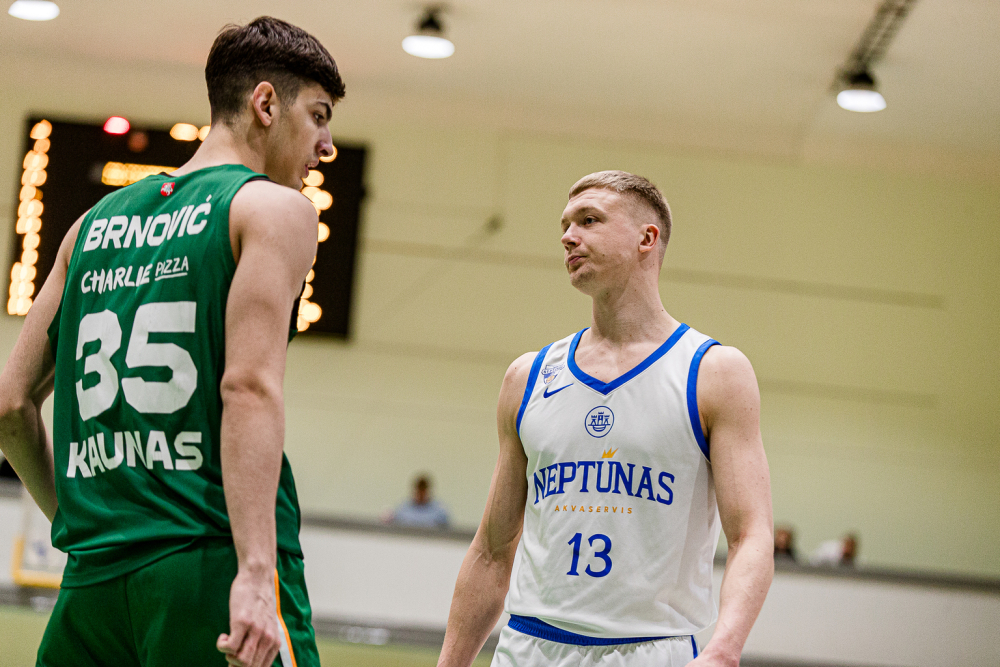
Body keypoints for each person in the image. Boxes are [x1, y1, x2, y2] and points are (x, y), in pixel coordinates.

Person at [0, 17, 344, 667]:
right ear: (266, 103)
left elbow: (9, 405)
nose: (326, 146)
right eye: (318, 116)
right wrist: (254, 571)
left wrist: (82, 525)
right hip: (206, 559)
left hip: (91, 585)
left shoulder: (88, 227)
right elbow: (248, 386)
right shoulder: (272, 210)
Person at [437, 171, 774, 667]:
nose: (568, 237)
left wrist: (724, 649)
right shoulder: (528, 376)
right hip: (528, 647)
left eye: (589, 220)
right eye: (565, 226)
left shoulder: (714, 372)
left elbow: (751, 535)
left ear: (646, 238)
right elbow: (491, 551)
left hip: (651, 649)